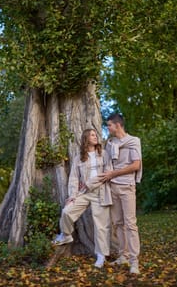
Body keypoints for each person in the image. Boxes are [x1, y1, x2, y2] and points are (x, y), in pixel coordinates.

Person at [53, 128, 113, 268]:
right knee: (67, 211)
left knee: (101, 226)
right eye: (92, 135)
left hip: (101, 192)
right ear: (86, 138)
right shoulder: (79, 158)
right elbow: (74, 178)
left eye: (95, 135)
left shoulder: (104, 154)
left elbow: (108, 173)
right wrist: (72, 196)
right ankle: (66, 234)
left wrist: (89, 184)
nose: (95, 137)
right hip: (84, 192)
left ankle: (101, 256)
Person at [98, 113, 142, 274]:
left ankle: (134, 261)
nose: (107, 128)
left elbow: (136, 165)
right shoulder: (110, 143)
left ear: (117, 125)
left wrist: (113, 174)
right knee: (117, 223)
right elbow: (106, 163)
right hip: (112, 187)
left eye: (109, 125)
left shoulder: (133, 141)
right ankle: (123, 255)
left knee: (130, 224)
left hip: (127, 187)